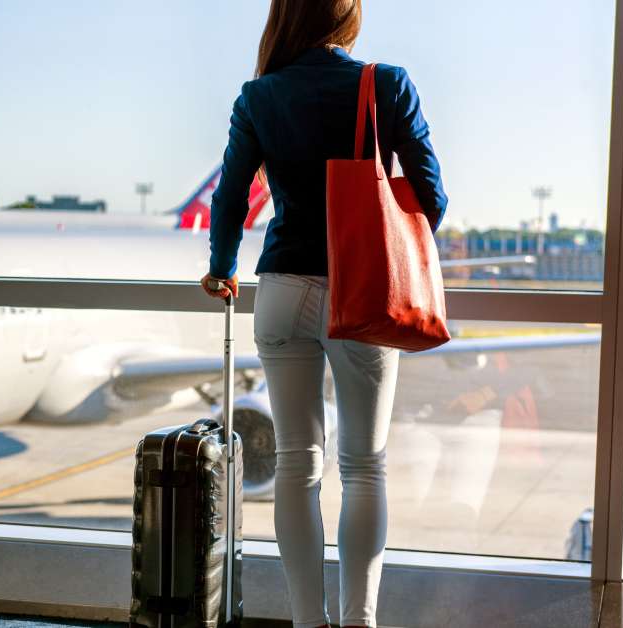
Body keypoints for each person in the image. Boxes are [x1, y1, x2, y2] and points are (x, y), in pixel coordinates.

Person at [199, 1, 447, 627]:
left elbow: (230, 197)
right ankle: (358, 620)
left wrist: (223, 267)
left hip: (281, 289)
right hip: (360, 289)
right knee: (364, 464)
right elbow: (431, 195)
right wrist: (385, 239)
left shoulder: (259, 95)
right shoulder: (385, 84)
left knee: (294, 462)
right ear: (346, 17)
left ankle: (309, 621)